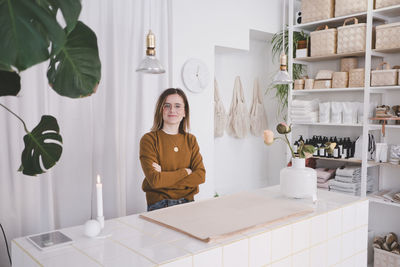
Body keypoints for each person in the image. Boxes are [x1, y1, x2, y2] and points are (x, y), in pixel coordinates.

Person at [140, 88, 206, 211]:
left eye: (177, 106)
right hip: (160, 205)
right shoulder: (149, 140)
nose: (172, 110)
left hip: (188, 204)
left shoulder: (190, 140)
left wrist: (164, 176)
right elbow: (155, 181)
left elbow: (200, 176)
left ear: (184, 112)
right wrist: (186, 172)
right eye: (167, 106)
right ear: (161, 110)